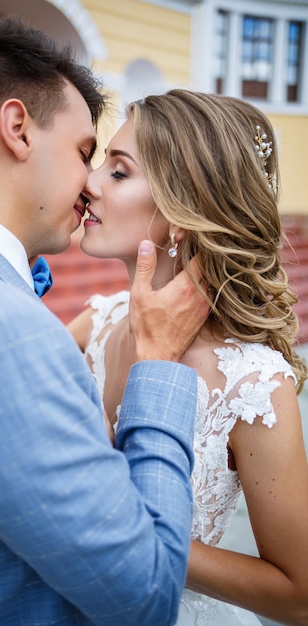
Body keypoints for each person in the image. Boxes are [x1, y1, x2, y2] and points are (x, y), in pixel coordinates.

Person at [0, 17, 212, 626]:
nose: (91, 186)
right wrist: (158, 367)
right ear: (16, 129)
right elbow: (144, 597)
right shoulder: (3, 335)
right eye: (86, 152)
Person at [68, 89, 308, 625]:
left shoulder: (252, 385)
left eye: (120, 172)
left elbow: (298, 596)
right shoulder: (96, 323)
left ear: (181, 211)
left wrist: (137, 533)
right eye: (102, 163)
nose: (89, 182)